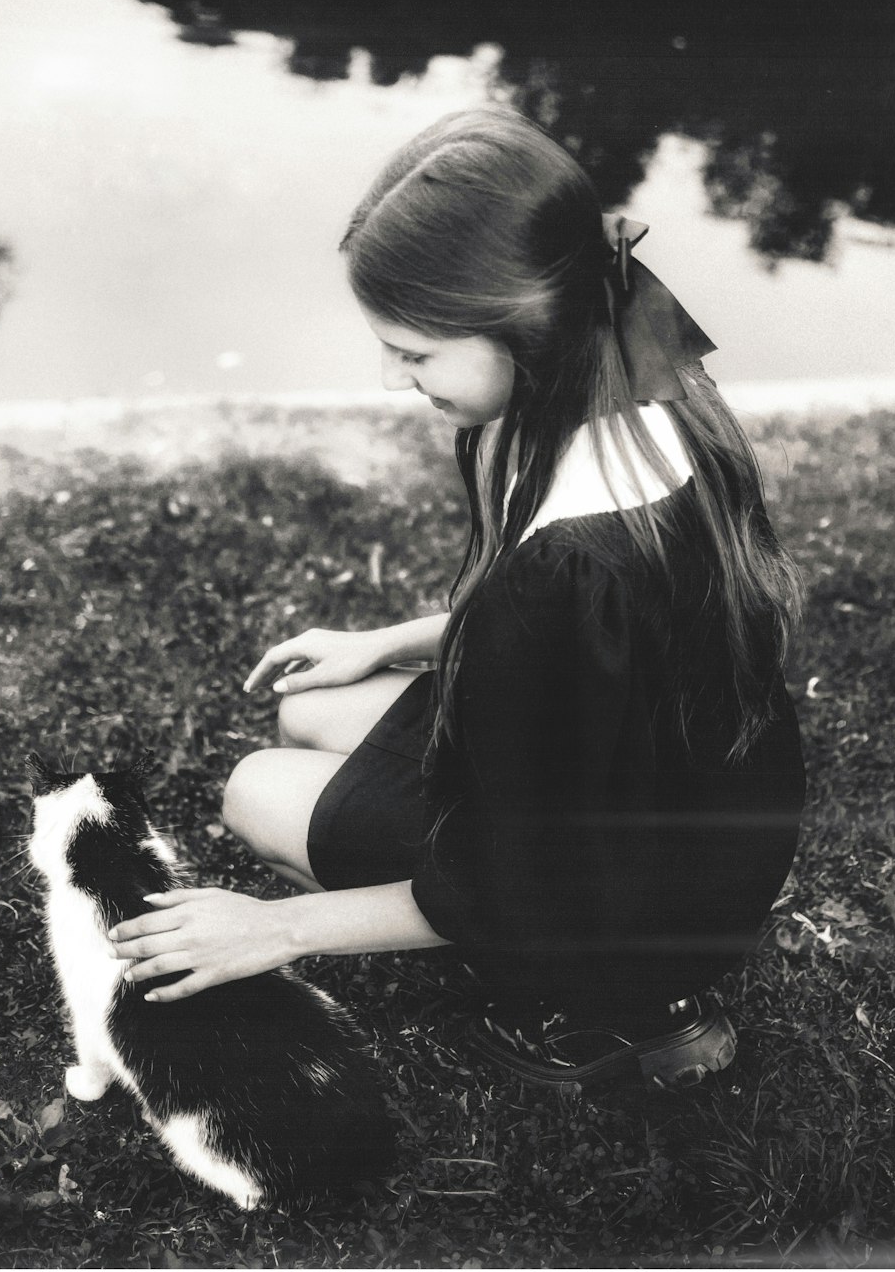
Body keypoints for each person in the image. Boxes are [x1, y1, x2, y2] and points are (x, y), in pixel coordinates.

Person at [109, 107, 806, 1090]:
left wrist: (273, 927)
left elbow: (505, 874)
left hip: (620, 901)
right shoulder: (626, 345)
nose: (392, 380)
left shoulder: (553, 577)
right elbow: (601, 654)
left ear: (516, 320)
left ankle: (609, 1019)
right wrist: (392, 638)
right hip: (697, 820)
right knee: (306, 706)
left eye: (415, 352)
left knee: (252, 792)